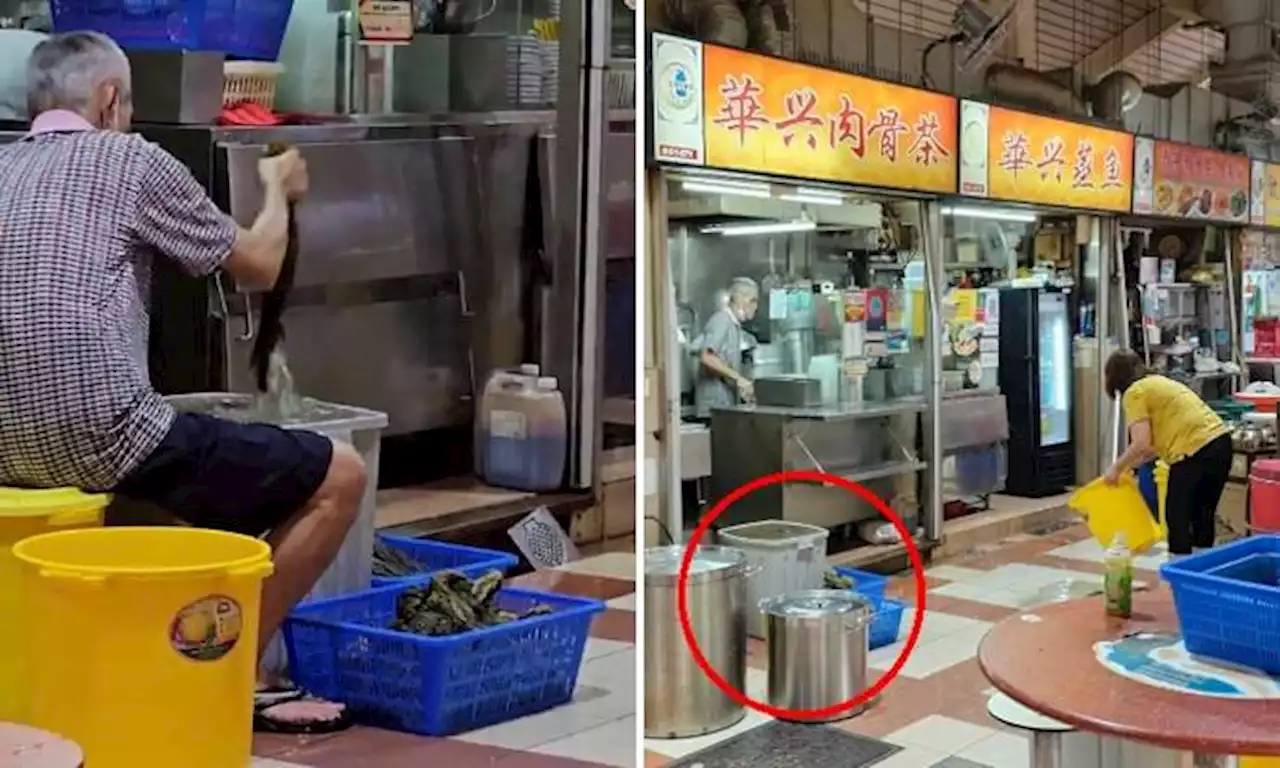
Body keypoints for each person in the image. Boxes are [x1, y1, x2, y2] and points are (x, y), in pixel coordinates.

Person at [0, 32, 365, 731]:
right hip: (98, 438)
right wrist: (277, 191)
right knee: (338, 476)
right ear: (109, 101)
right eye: (129, 102)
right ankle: (236, 677)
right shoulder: (130, 159)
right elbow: (257, 263)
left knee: (161, 474)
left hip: (5, 447)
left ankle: (133, 659)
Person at [1103, 349, 1232, 556]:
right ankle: (1201, 574)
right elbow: (1156, 443)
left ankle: (1178, 576)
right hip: (1221, 443)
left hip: (1194, 451)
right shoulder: (1159, 382)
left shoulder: (1135, 393)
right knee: (1202, 515)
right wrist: (1131, 464)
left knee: (1177, 518)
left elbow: (1141, 442)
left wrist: (1115, 469)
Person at [695, 276, 759, 416]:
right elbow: (707, 357)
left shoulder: (734, 326)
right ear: (741, 299)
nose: (755, 307)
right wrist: (738, 379)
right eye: (753, 301)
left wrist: (740, 386)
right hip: (713, 407)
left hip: (725, 404)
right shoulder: (722, 320)